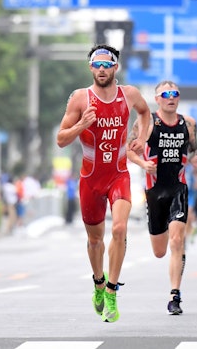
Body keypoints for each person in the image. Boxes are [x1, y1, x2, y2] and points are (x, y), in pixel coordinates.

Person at [56, 44, 151, 323]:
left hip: (118, 175)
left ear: (115, 68)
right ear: (90, 68)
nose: (101, 69)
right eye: (96, 65)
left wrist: (141, 138)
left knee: (119, 229)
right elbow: (61, 140)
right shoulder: (80, 98)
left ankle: (111, 290)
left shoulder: (129, 94)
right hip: (90, 180)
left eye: (106, 65)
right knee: (95, 240)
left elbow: (145, 113)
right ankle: (98, 282)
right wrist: (81, 125)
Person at [127, 80, 197, 315]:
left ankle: (175, 296)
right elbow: (129, 150)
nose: (171, 97)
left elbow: (193, 151)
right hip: (154, 191)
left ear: (179, 97)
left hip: (178, 189)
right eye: (165, 94)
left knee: (177, 241)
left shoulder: (188, 124)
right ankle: (173, 268)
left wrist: (196, 160)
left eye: (174, 94)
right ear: (157, 99)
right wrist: (143, 163)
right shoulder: (147, 123)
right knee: (160, 251)